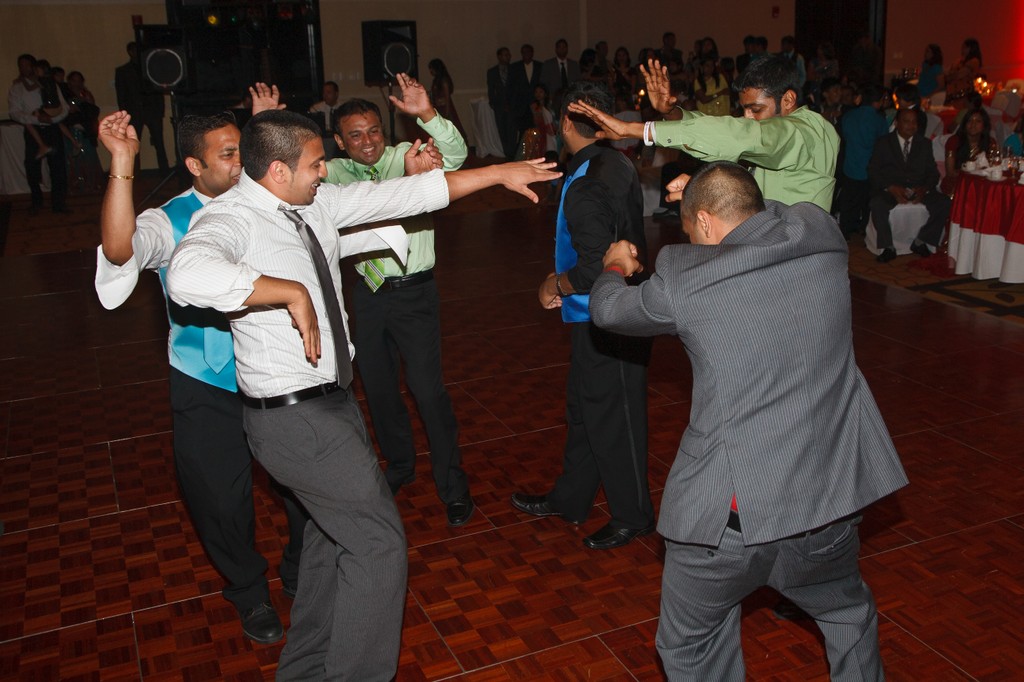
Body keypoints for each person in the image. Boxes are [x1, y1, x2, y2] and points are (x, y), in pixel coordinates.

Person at [166, 108, 559, 679]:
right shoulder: (231, 218)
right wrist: (288, 291)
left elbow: (408, 193)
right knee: (377, 546)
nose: (325, 171)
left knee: (331, 544)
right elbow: (187, 274)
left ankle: (305, 670)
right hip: (296, 421)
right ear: (278, 170)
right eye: (315, 163)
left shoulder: (313, 204)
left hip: (333, 406)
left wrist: (497, 173)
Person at [590, 161, 908, 680]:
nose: (692, 241)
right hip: (823, 507)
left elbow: (609, 311)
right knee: (848, 613)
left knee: (693, 646)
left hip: (728, 526)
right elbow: (771, 209)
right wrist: (713, 186)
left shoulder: (688, 278)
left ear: (706, 222)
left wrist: (614, 266)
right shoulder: (822, 236)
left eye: (692, 230)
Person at [93, 88, 309, 646]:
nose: (239, 163)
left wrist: (267, 132)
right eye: (228, 154)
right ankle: (248, 589)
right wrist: (123, 162)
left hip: (280, 371)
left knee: (304, 484)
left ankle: (300, 565)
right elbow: (118, 251)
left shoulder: (270, 199)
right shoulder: (169, 221)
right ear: (194, 165)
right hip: (206, 383)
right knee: (218, 498)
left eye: (242, 151)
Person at [325, 73, 475, 525]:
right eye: (355, 135)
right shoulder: (332, 173)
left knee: (427, 391)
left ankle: (453, 484)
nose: (368, 142)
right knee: (378, 389)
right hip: (367, 293)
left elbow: (457, 157)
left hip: (414, 293)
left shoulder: (406, 155)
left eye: (374, 131)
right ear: (340, 141)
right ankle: (401, 464)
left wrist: (426, 113)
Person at [510, 81, 654, 551]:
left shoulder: (588, 182)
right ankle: (571, 498)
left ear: (566, 122)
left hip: (610, 316)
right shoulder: (616, 162)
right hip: (601, 314)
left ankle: (633, 516)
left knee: (614, 417)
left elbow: (594, 268)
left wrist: (554, 284)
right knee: (586, 409)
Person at [570, 55, 839, 211]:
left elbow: (740, 135)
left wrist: (635, 129)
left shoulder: (808, 132)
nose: (747, 118)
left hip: (798, 262)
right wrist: (671, 112)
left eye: (755, 109)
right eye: (744, 109)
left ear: (788, 100)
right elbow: (726, 137)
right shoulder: (778, 132)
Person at [869, 107, 951, 262]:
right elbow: (873, 171)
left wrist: (924, 189)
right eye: (906, 121)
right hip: (892, 188)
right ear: (897, 123)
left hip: (918, 188)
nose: (911, 126)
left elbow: (933, 173)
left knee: (944, 202)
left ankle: (921, 240)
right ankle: (887, 247)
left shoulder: (924, 143)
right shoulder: (883, 142)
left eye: (914, 122)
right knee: (877, 203)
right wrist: (891, 187)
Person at [8, 53, 70, 215]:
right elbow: (14, 112)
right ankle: (37, 202)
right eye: (20, 65)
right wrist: (36, 118)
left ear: (35, 67)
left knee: (58, 167)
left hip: (52, 129)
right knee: (32, 166)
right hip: (33, 130)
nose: (23, 68)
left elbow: (64, 107)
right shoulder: (17, 88)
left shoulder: (50, 83)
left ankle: (59, 204)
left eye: (26, 65)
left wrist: (52, 118)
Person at [838, 84, 889, 239]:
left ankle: (846, 230)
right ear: (878, 101)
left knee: (849, 201)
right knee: (867, 202)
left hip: (851, 165)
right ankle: (864, 229)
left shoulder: (849, 116)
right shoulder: (879, 120)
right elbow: (883, 143)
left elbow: (843, 137)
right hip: (870, 167)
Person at [114, 42, 170, 172]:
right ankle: (134, 173)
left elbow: (158, 91)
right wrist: (125, 115)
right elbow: (121, 95)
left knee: (159, 143)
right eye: (134, 50)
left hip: (152, 111)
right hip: (134, 112)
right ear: (129, 52)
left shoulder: (150, 68)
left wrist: (160, 111)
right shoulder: (122, 71)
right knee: (134, 143)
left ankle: (165, 171)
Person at [942, 106, 995, 194]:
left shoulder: (990, 142)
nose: (973, 124)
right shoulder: (954, 141)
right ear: (964, 124)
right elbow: (950, 172)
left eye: (978, 121)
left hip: (982, 183)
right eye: (969, 121)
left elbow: (994, 167)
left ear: (984, 125)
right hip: (957, 183)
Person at [487, 46, 518, 159]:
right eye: (505, 55)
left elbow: (517, 88)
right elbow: (491, 89)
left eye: (508, 55)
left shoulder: (514, 70)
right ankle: (505, 152)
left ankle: (512, 153)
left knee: (512, 130)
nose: (508, 57)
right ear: (499, 57)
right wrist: (494, 103)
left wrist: (513, 103)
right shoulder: (492, 72)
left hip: (512, 105)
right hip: (499, 106)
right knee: (501, 130)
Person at [540, 38, 581, 115]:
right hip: (553, 99)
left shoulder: (574, 65)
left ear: (567, 49)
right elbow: (543, 83)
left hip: (570, 99)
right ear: (556, 49)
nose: (562, 49)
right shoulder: (548, 64)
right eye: (560, 47)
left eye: (564, 47)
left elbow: (578, 82)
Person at [427, 58, 466, 138]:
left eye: (431, 68)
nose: (430, 71)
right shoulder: (436, 80)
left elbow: (447, 97)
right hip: (438, 107)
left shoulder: (444, 80)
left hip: (444, 107)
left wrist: (447, 112)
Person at [308, 80, 341, 160]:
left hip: (336, 137)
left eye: (329, 92)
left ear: (336, 94)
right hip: (322, 137)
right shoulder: (316, 108)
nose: (325, 95)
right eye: (324, 93)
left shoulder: (342, 108)